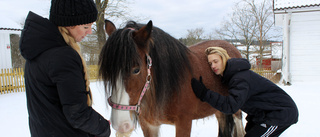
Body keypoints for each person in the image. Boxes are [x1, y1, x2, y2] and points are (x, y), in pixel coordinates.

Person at [19, 0, 111, 137]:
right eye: (86, 27)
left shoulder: (37, 52)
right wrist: (103, 128)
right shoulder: (64, 57)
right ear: (69, 25)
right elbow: (77, 114)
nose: (90, 32)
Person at [191, 47, 298, 137]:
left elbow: (231, 105)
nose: (213, 66)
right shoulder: (233, 76)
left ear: (224, 59)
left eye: (215, 61)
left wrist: (205, 94)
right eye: (210, 63)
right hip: (262, 114)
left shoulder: (239, 78)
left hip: (280, 113)